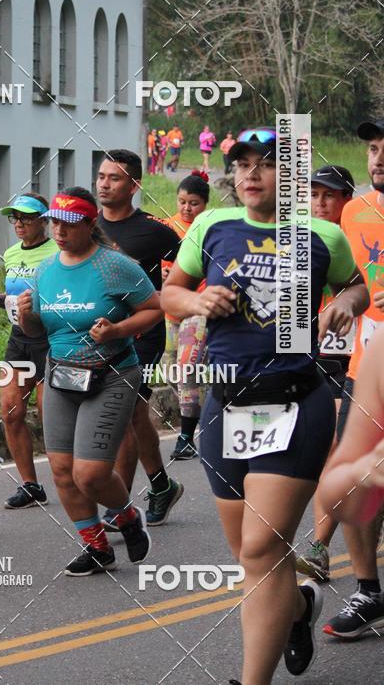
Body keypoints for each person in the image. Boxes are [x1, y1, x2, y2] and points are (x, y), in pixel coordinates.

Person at [162, 127, 369, 683]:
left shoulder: (323, 235)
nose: (252, 173)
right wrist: (196, 299)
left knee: (261, 548)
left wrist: (344, 304)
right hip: (223, 405)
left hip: (296, 404)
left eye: (268, 163)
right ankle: (300, 608)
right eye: (243, 163)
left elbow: (358, 288)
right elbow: (170, 294)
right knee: (253, 558)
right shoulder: (210, 226)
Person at [16, 187, 162, 576]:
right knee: (62, 470)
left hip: (112, 373)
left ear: (90, 224)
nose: (59, 231)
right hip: (61, 373)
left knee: (90, 474)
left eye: (70, 223)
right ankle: (97, 546)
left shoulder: (114, 266)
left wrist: (117, 330)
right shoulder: (45, 270)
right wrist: (24, 313)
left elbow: (154, 310)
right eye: (54, 223)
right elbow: (35, 331)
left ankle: (129, 518)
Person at [96, 150, 183, 528]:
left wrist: (181, 300)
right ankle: (161, 485)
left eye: (114, 178)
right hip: (99, 334)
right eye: (101, 176)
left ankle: (120, 508)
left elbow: (190, 270)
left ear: (134, 185)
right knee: (133, 415)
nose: (104, 183)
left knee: (127, 412)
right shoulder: (89, 226)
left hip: (143, 335)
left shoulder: (154, 230)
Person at [322, 119, 384, 640]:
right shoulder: (353, 210)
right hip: (366, 367)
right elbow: (343, 279)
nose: (378, 158)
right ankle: (368, 589)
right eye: (372, 148)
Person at [295, 165, 355, 581]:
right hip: (321, 356)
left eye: (329, 196)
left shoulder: (363, 238)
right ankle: (319, 546)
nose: (320, 203)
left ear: (347, 199)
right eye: (313, 195)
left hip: (365, 354)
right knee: (329, 448)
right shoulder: (299, 242)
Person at [0, 194, 57, 508]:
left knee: (50, 418)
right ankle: (30, 485)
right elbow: (16, 300)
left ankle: (72, 480)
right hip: (19, 340)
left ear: (43, 220)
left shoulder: (57, 252)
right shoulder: (12, 254)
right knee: (10, 412)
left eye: (26, 217)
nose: (19, 223)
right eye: (15, 218)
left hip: (51, 339)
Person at [161, 171, 211, 460]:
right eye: (182, 201)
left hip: (199, 305)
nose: (186, 208)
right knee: (169, 369)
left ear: (204, 204)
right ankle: (207, 407)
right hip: (171, 309)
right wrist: (164, 272)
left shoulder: (211, 228)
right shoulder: (168, 228)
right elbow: (160, 263)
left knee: (185, 367)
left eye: (193, 203)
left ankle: (186, 437)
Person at [318, 326, 384, 528]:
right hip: (322, 364)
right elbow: (293, 337)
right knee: (339, 452)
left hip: (350, 364)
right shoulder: (298, 293)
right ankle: (319, 545)